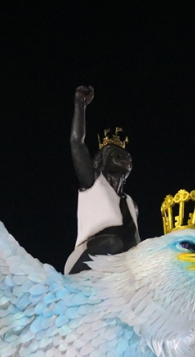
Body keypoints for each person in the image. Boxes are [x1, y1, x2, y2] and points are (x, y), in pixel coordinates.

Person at [64, 85, 141, 275]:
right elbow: (77, 142)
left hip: (119, 263)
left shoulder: (131, 204)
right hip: (87, 254)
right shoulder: (93, 183)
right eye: (117, 154)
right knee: (114, 241)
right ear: (101, 162)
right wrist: (80, 105)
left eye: (127, 157)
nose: (125, 158)